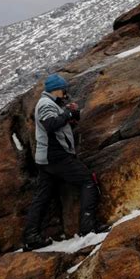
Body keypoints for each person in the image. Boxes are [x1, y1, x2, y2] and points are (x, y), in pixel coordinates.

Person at [23, 73, 110, 250]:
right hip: (56, 157)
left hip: (46, 158)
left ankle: (31, 236)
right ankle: (88, 228)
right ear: (57, 89)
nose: (65, 92)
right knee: (88, 181)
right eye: (64, 89)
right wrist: (67, 113)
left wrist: (70, 116)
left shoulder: (49, 103)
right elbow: (50, 124)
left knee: (43, 196)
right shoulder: (46, 104)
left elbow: (57, 125)